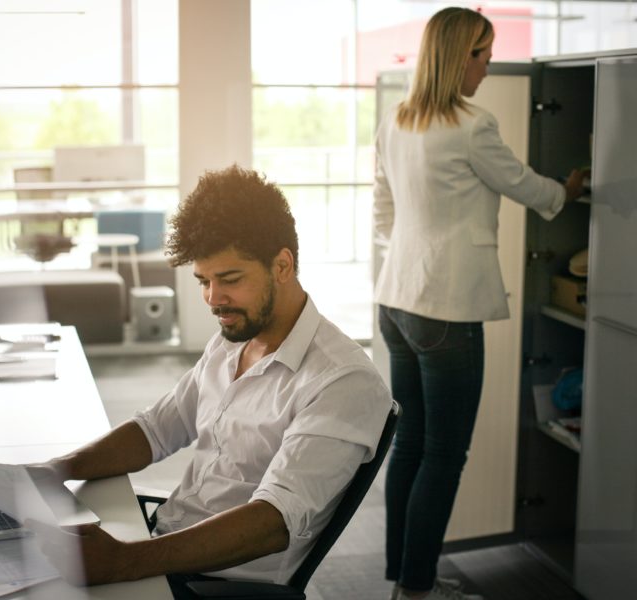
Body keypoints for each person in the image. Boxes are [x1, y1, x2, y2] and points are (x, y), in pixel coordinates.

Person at [28, 165, 392, 598]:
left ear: (282, 265)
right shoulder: (232, 340)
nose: (214, 300)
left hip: (213, 583)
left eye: (230, 280)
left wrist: (124, 561)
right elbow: (155, 429)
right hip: (163, 545)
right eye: (204, 281)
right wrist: (56, 471)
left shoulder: (342, 381)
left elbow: (273, 521)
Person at [373, 8, 587, 600]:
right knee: (443, 453)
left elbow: (382, 211)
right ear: (458, 56)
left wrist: (414, 259)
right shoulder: (472, 125)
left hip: (397, 300)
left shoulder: (397, 120)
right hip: (446, 310)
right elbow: (523, 184)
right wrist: (566, 192)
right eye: (483, 56)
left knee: (412, 444)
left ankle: (404, 579)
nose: (488, 68)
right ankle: (417, 589)